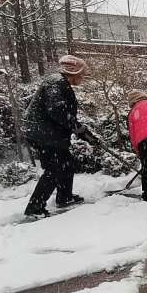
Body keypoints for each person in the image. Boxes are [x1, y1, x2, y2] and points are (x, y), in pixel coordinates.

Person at [23, 55, 93, 217]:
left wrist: (82, 131)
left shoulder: (59, 83)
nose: (82, 78)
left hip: (48, 133)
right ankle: (35, 208)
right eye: (81, 74)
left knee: (66, 163)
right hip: (44, 134)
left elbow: (63, 113)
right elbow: (58, 111)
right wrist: (78, 129)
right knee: (55, 168)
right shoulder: (56, 83)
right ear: (74, 72)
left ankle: (64, 197)